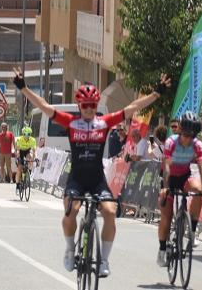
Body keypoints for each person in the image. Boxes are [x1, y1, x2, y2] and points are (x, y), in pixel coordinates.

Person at [13, 67, 170, 277]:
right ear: (79, 105)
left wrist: (156, 93)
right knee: (70, 212)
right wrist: (23, 87)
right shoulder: (70, 122)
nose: (89, 109)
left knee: (110, 212)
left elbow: (132, 107)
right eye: (85, 106)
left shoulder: (104, 122)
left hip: (97, 179)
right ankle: (70, 250)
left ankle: (104, 259)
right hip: (76, 179)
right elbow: (44, 105)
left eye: (93, 106)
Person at [156, 112, 202, 267]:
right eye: (185, 135)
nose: (187, 139)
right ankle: (161, 250)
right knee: (166, 216)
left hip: (184, 177)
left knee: (198, 189)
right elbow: (166, 166)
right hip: (169, 178)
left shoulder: (197, 145)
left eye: (191, 136)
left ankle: (192, 232)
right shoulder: (171, 142)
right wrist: (166, 188)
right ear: (180, 131)